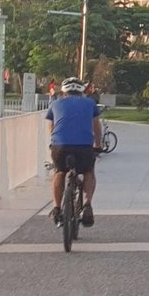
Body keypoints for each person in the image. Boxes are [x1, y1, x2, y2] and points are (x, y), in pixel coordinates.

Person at [46, 77, 102, 228]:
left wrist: (54, 143)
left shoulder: (55, 104)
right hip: (84, 147)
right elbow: (96, 126)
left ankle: (57, 208)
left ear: (64, 92)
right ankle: (87, 205)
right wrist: (98, 145)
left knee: (59, 172)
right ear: (82, 91)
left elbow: (51, 127)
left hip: (60, 147)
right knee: (89, 171)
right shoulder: (90, 103)